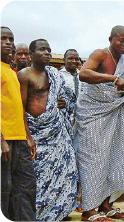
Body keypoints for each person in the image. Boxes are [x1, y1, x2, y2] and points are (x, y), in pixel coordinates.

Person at [74, 25, 124, 221]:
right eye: (121, 40)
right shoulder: (100, 55)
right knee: (93, 162)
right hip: (93, 116)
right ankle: (89, 210)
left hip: (113, 116)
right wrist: (114, 79)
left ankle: (105, 206)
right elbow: (84, 74)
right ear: (110, 39)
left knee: (110, 160)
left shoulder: (123, 62)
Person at [17, 38, 79, 221]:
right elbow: (20, 107)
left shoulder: (53, 74)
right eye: (42, 49)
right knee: (39, 176)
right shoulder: (24, 75)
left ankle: (58, 211)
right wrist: (28, 136)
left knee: (65, 171)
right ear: (31, 54)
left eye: (49, 50)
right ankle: (38, 213)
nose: (47, 53)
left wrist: (62, 102)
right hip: (37, 132)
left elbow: (67, 97)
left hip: (56, 132)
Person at [1, 26, 36, 221]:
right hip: (5, 141)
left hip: (19, 139)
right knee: (4, 189)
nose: (8, 42)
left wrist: (27, 137)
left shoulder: (12, 72)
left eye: (10, 39)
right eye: (3, 38)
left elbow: (18, 108)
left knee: (26, 186)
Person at [59, 49, 81, 125]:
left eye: (76, 59)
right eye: (70, 58)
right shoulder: (58, 76)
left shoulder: (83, 76)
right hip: (64, 117)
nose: (74, 61)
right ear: (64, 60)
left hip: (81, 117)